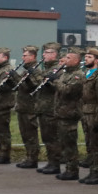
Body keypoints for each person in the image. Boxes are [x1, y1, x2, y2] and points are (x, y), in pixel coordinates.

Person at [31, 42, 63, 174]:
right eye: (44, 53)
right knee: (46, 137)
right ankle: (51, 162)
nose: (43, 55)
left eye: (47, 53)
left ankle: (55, 163)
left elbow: (47, 84)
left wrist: (36, 75)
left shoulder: (58, 68)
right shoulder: (47, 68)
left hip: (51, 108)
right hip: (43, 107)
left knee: (52, 137)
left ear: (54, 54)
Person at [53, 48, 85, 181]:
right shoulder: (65, 74)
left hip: (70, 112)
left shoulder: (77, 75)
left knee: (70, 143)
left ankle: (73, 170)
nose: (65, 60)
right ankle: (67, 168)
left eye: (68, 58)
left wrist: (56, 81)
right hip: (62, 112)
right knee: (64, 142)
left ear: (76, 60)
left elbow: (67, 90)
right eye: (65, 58)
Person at [78, 48, 98, 185]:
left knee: (96, 145)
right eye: (86, 56)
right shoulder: (87, 73)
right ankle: (91, 171)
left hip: (95, 112)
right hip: (85, 111)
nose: (86, 59)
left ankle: (96, 172)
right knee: (89, 143)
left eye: (89, 57)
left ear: (96, 60)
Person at [14, 46, 41, 169]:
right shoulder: (26, 69)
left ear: (33, 57)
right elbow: (21, 86)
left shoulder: (35, 70)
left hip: (30, 106)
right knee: (25, 133)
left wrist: (16, 77)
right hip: (23, 106)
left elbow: (32, 86)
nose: (23, 58)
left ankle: (33, 158)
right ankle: (29, 156)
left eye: (25, 55)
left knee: (31, 134)